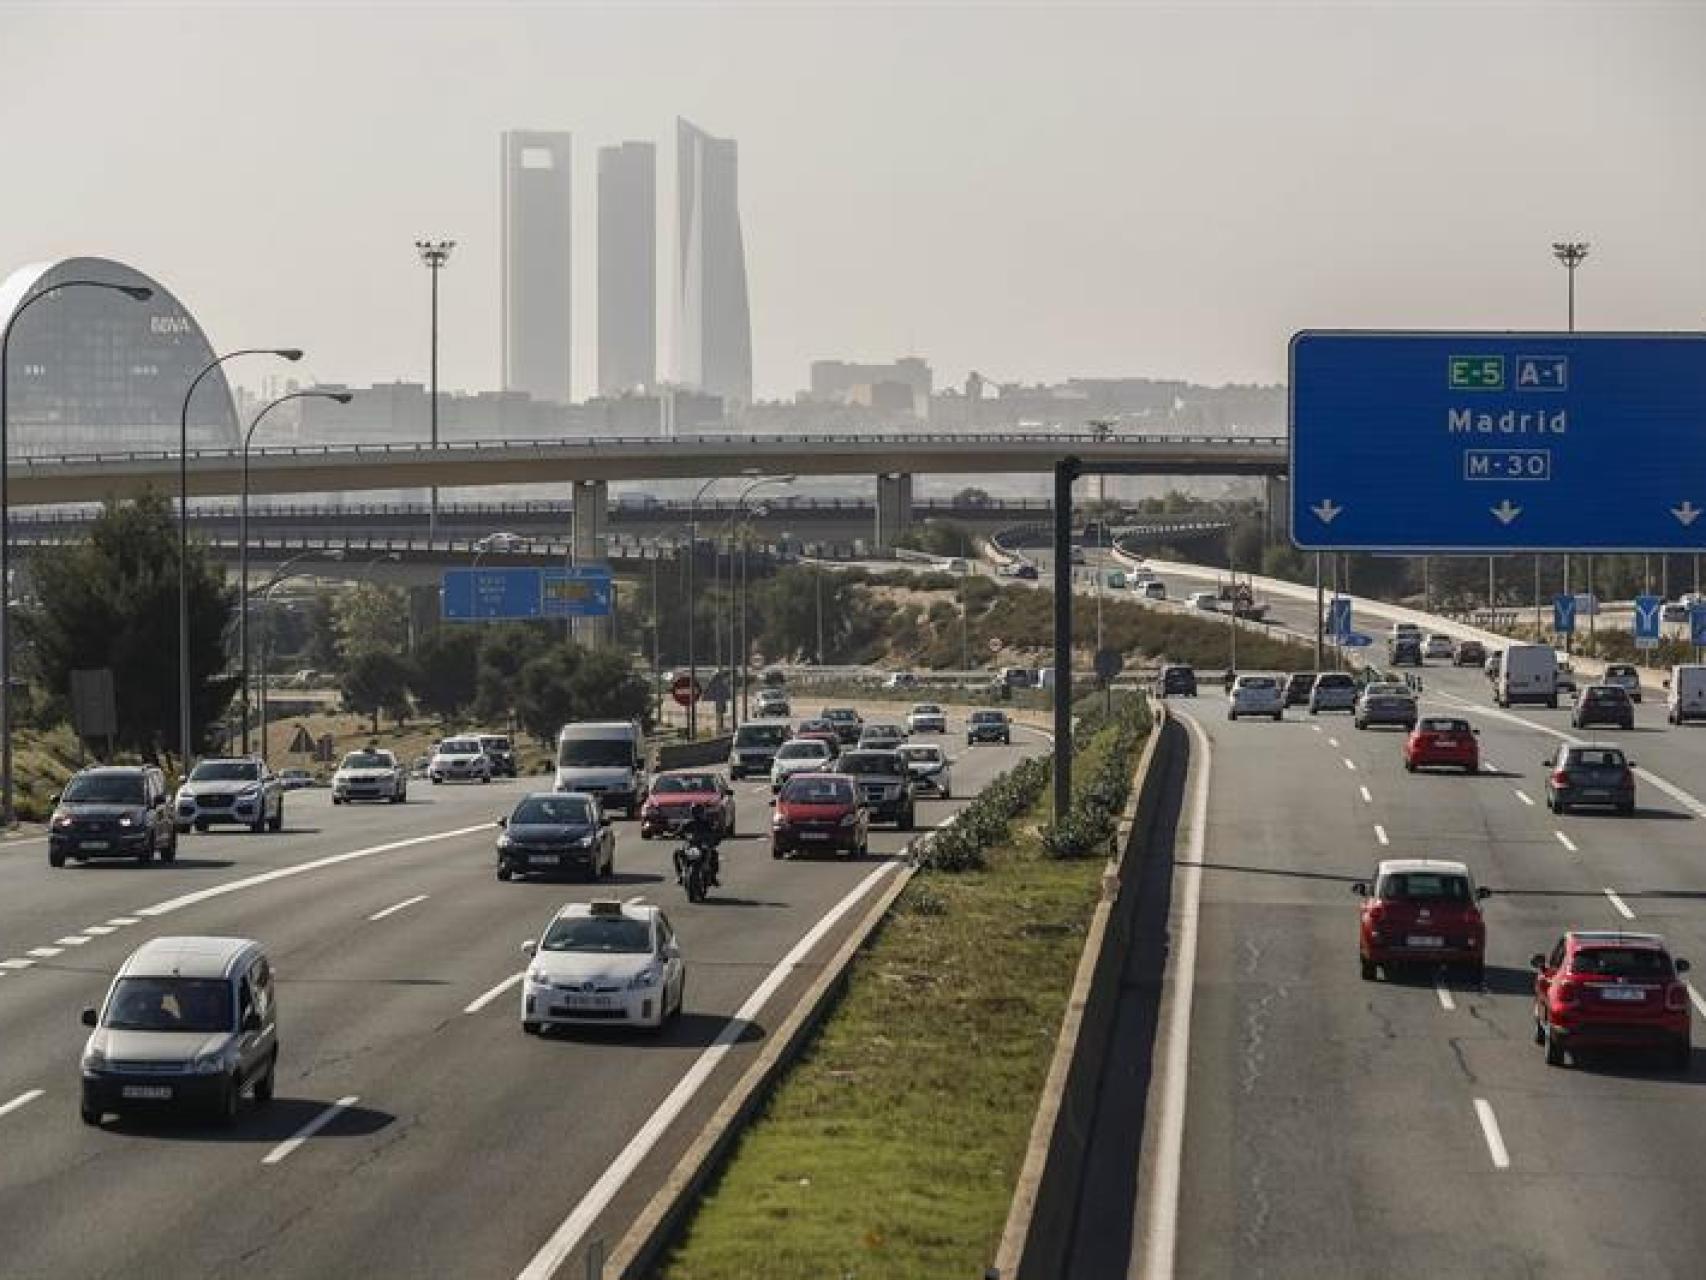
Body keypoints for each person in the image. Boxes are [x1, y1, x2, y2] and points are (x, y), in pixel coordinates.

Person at [673, 802, 723, 888]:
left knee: (714, 854)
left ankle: (712, 877)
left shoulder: (706, 824)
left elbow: (714, 833)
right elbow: (679, 831)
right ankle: (680, 875)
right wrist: (677, 834)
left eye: (698, 812)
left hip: (703, 846)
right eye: (696, 812)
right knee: (677, 853)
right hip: (690, 846)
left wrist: (715, 838)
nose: (697, 814)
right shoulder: (688, 823)